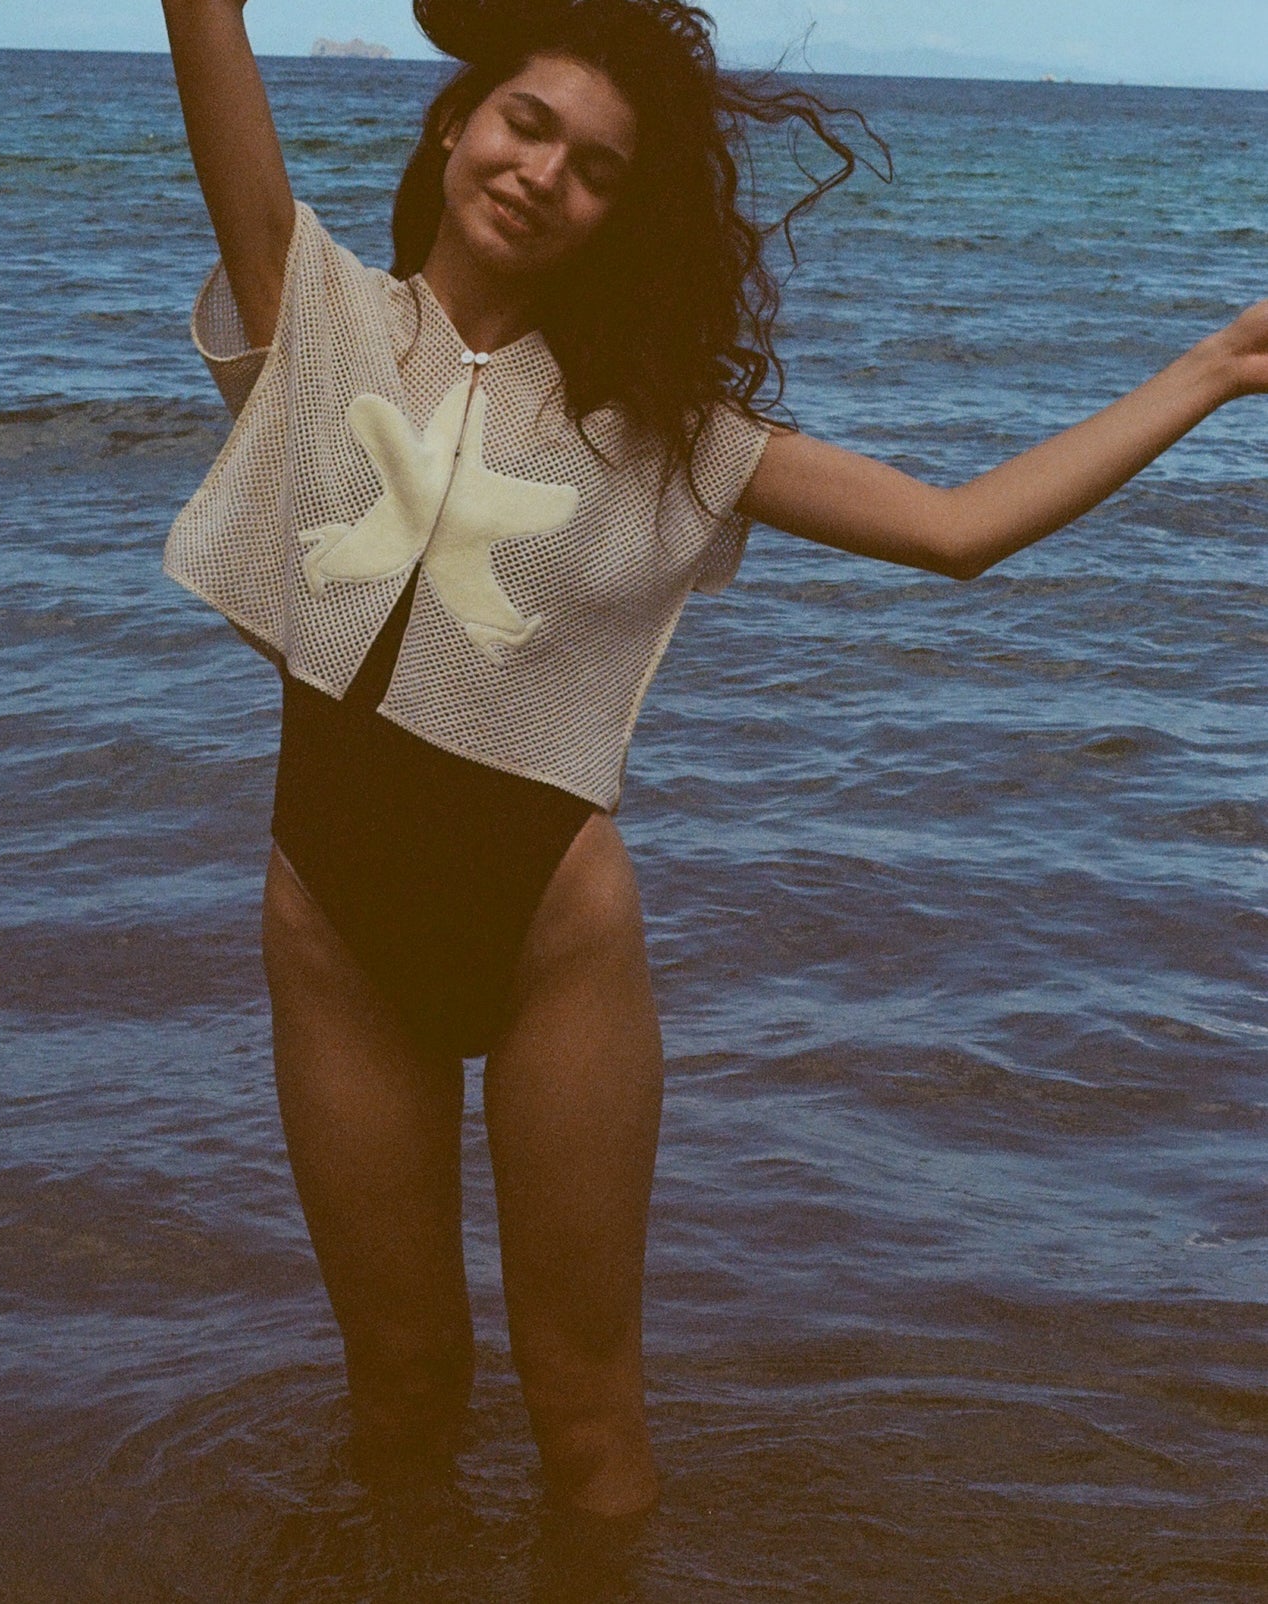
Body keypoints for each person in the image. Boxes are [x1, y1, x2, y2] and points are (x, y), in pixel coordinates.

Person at [159, 0, 1265, 1521]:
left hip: (553, 942)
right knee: (402, 1394)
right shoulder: (320, 315)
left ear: (623, 220)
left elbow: (957, 531)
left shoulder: (667, 434)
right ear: (454, 125)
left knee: (592, 1438)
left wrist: (1213, 366)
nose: (545, 172)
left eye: (598, 169)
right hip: (335, 935)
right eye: (525, 124)